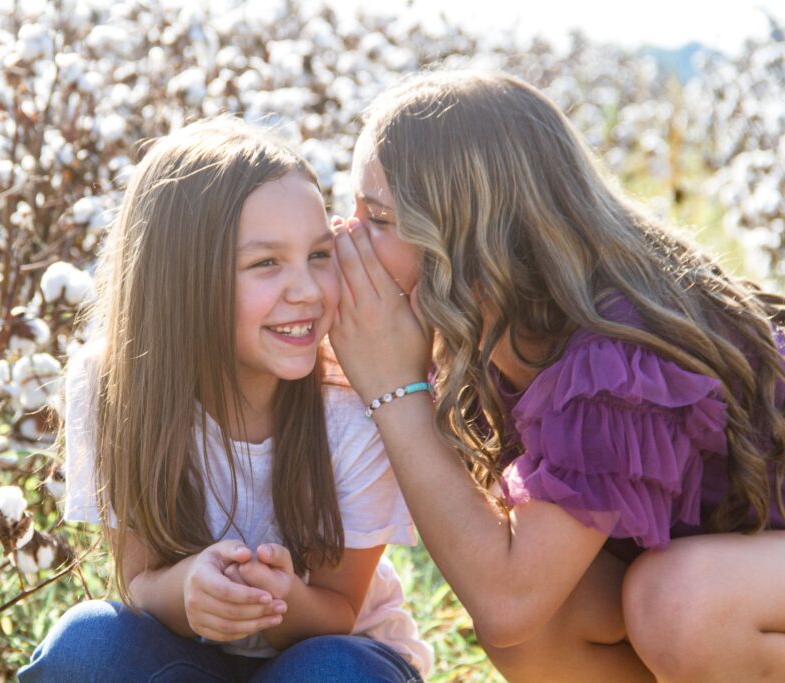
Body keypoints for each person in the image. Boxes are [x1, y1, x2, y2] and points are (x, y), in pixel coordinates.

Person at [330, 70, 785, 683]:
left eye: (379, 218)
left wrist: (393, 391)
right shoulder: (498, 335)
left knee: (679, 603)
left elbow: (507, 601)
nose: (348, 235)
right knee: (552, 610)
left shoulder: (614, 355)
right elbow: (519, 602)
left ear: (471, 238)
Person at [18, 118, 432, 682]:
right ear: (182, 279)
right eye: (266, 263)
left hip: (335, 649)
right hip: (182, 657)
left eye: (318, 255)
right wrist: (188, 590)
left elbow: (340, 609)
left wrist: (279, 598)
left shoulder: (352, 398)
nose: (307, 291)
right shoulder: (111, 385)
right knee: (89, 644)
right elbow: (139, 582)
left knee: (333, 672)